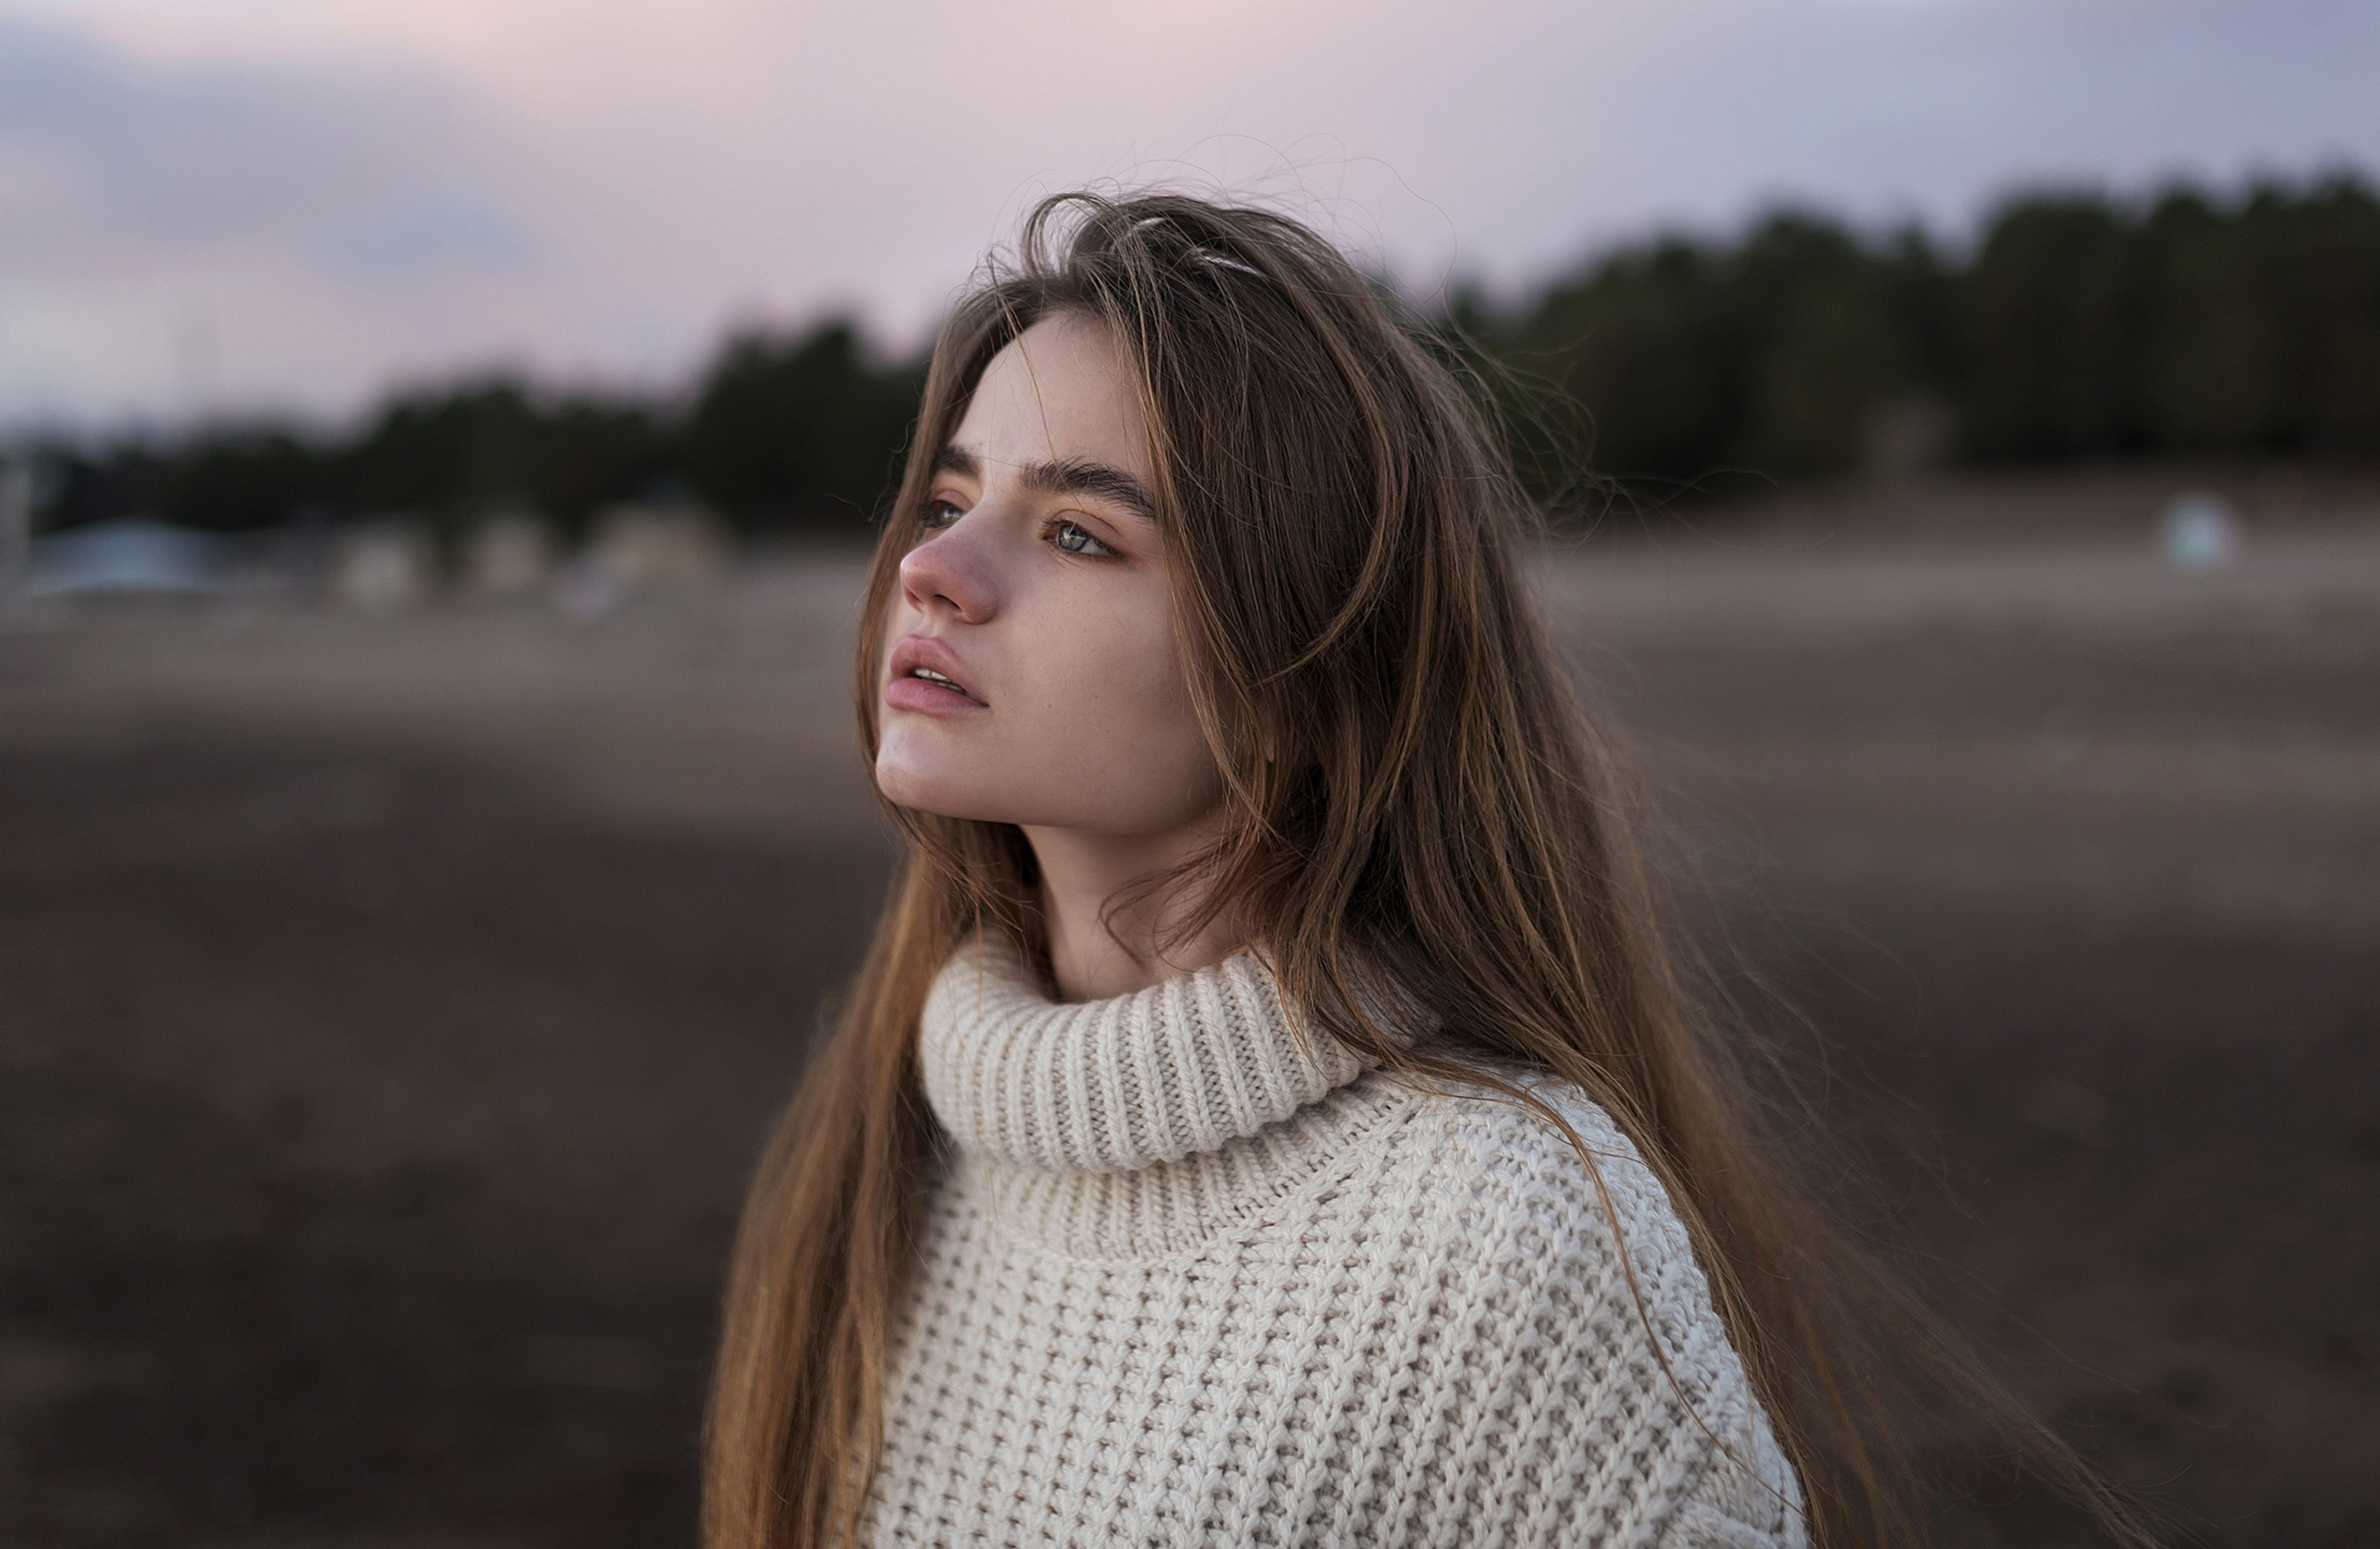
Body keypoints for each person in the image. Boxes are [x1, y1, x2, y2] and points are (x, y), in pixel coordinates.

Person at [705, 192, 2150, 1548]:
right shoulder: (886, 1147)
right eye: (948, 499)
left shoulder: (1497, 1241)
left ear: (1309, 688)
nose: (935, 569)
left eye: (1081, 531)